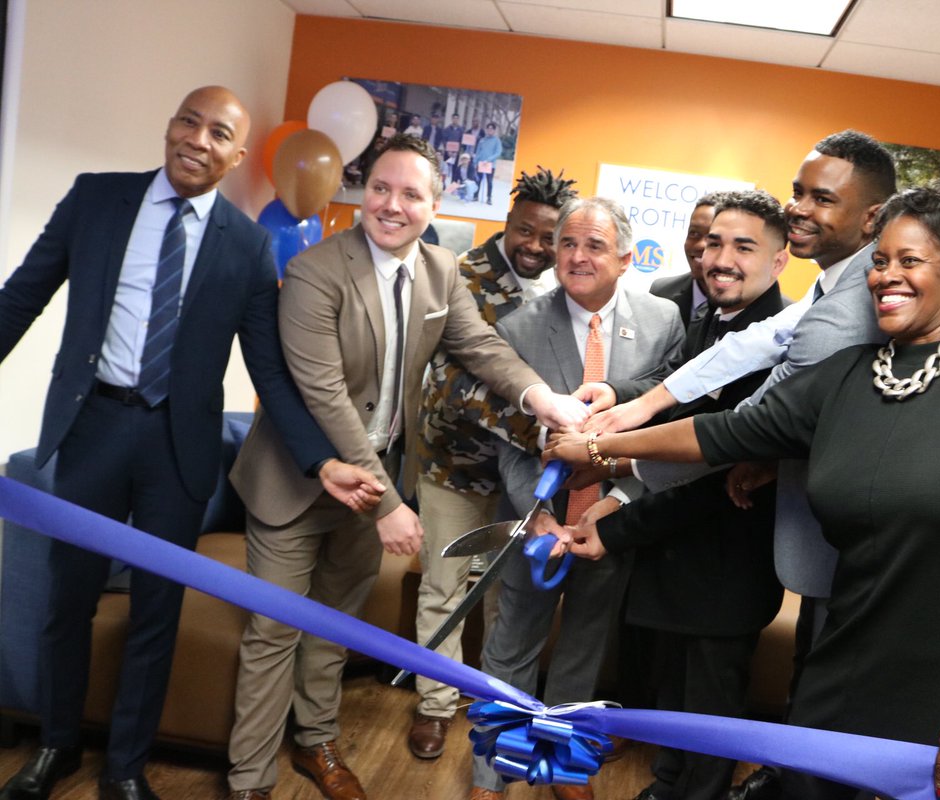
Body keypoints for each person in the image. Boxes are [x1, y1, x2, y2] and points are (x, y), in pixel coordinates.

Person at [548, 184, 940, 800]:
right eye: (880, 261)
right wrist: (600, 446)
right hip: (842, 655)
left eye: (910, 262)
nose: (886, 277)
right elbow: (727, 431)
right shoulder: (850, 372)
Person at [0, 86, 381, 800]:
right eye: (188, 121)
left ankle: (124, 767)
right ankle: (54, 746)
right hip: (92, 430)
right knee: (67, 600)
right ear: (170, 126)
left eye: (218, 134)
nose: (198, 140)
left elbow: (267, 366)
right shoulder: (96, 200)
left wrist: (320, 458)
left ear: (240, 154)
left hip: (178, 449)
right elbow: (20, 298)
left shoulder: (247, 244)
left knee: (156, 610)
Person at [223, 136, 588, 800]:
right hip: (296, 482)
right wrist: (392, 504)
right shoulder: (315, 271)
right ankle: (249, 779)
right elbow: (325, 396)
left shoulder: (441, 270)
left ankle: (316, 741)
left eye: (411, 193)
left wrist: (544, 398)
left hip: (377, 478)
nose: (393, 205)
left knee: (336, 622)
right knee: (273, 630)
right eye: (382, 189)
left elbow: (478, 346)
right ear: (364, 191)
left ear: (434, 202)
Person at [579, 131, 896, 799]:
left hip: (837, 549)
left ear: (870, 217)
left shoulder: (852, 306)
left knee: (816, 714)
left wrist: (607, 453)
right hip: (796, 547)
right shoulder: (830, 287)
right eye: (799, 192)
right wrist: (639, 409)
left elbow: (752, 424)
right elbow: (752, 346)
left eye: (822, 198)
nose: (802, 208)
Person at [557, 190, 789, 800]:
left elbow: (714, 475)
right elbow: (669, 386)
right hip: (674, 568)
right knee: (672, 709)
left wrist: (612, 523)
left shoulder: (781, 350)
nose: (721, 258)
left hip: (723, 572)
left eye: (744, 246)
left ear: (781, 259)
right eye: (714, 242)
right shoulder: (709, 320)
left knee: (709, 725)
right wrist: (613, 397)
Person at [469, 197, 685, 800]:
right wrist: (534, 514)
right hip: (533, 521)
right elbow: (509, 442)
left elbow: (663, 436)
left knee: (584, 651)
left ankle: (562, 768)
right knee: (511, 648)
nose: (577, 256)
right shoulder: (516, 327)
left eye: (593, 246)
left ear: (624, 257)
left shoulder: (663, 321)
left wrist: (613, 502)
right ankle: (491, 774)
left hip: (610, 519)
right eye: (568, 244)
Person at [408, 167, 578, 760]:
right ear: (507, 224)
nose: (534, 246)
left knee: (512, 596)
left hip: (526, 477)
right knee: (445, 587)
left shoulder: (566, 290)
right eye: (523, 231)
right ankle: (433, 706)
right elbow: (453, 385)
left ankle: (493, 706)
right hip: (456, 463)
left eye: (548, 236)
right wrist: (550, 430)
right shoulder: (463, 278)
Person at [649, 194, 720, 331]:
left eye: (712, 238)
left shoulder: (743, 302)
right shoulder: (661, 292)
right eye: (694, 233)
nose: (700, 245)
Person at [475, 123, 502, 205]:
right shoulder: (482, 140)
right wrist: (476, 161)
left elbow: (498, 152)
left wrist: (489, 159)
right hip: (481, 163)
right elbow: (478, 151)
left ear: (494, 130)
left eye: (491, 129)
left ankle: (489, 198)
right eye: (488, 129)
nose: (489, 130)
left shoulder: (497, 140)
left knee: (489, 181)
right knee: (478, 180)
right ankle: (475, 195)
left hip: (490, 165)